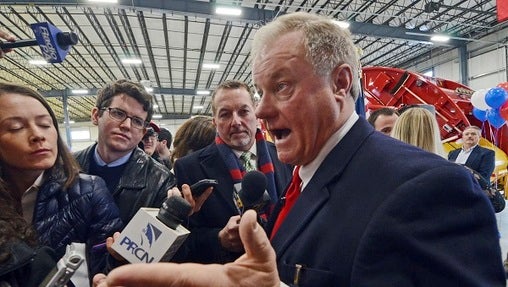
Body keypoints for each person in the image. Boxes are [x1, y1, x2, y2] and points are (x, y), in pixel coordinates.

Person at [92, 12, 505, 287]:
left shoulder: (429, 190)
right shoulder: (308, 174)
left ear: (341, 84)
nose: (263, 111)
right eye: (261, 92)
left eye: (282, 87)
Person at [0, 82, 123, 280]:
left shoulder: (90, 192)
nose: (38, 135)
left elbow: (106, 268)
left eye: (45, 124)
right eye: (16, 127)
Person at [173, 79, 292, 264]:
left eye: (243, 112)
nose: (236, 122)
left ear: (256, 114)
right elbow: (183, 240)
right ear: (215, 122)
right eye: (225, 114)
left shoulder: (286, 156)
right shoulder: (189, 168)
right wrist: (219, 239)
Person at [74, 79, 177, 225]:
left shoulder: (161, 182)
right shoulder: (65, 167)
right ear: (96, 115)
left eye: (137, 121)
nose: (126, 125)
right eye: (118, 113)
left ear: (142, 132)